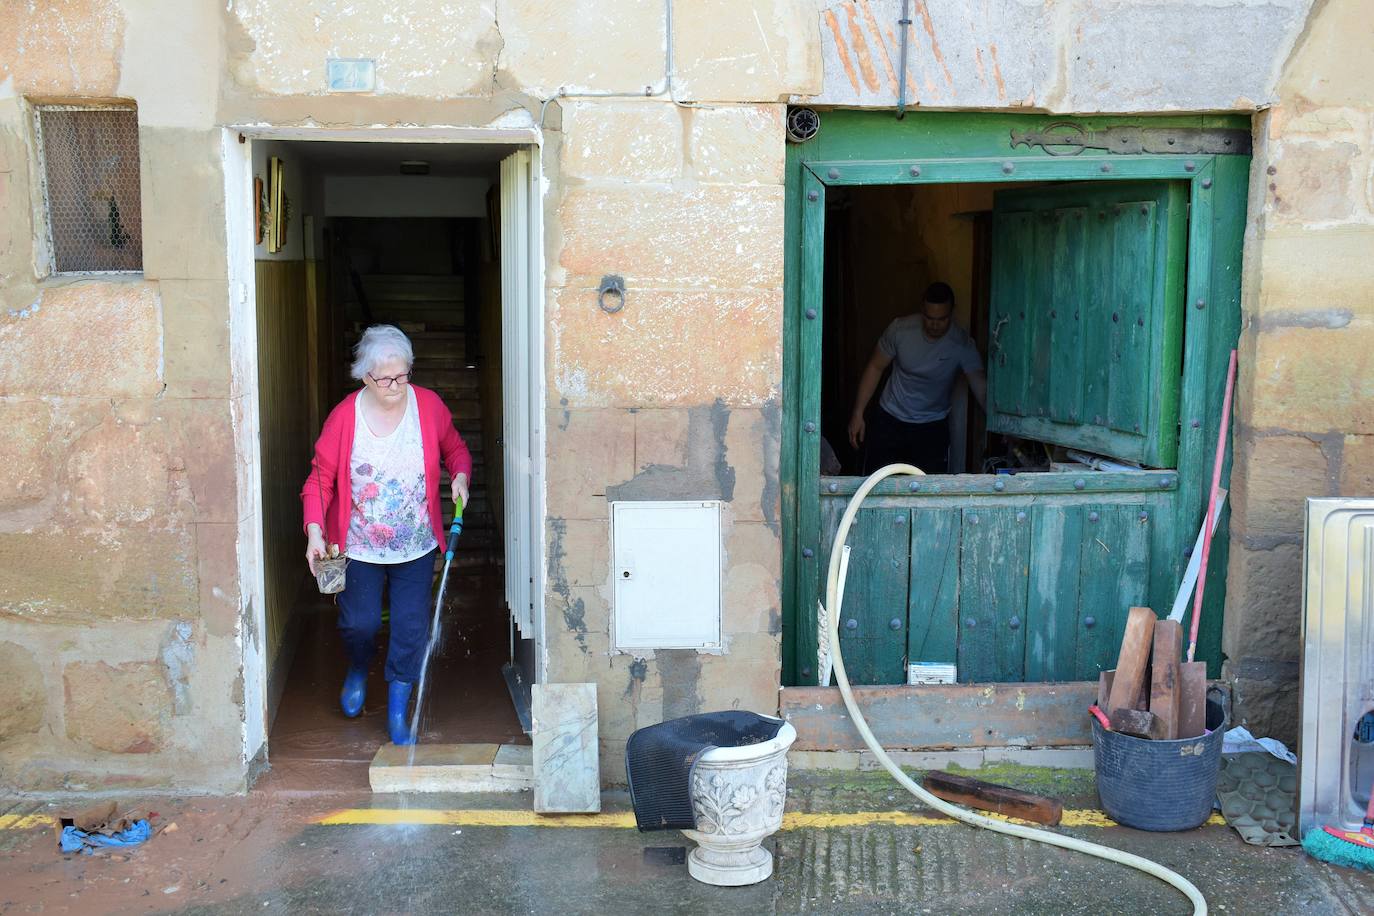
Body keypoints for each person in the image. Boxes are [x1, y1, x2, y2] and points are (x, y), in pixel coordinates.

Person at [301, 324, 472, 745]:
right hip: (358, 545)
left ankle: (398, 706)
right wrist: (314, 531)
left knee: (410, 628)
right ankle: (358, 667)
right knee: (358, 625)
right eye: (386, 379)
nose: (396, 385)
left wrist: (461, 477)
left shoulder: (428, 406)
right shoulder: (345, 417)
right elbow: (319, 480)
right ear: (365, 378)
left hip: (416, 544)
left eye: (403, 375)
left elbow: (456, 449)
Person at [847, 282, 987, 475]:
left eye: (942, 319)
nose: (935, 324)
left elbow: (979, 384)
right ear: (922, 310)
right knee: (877, 483)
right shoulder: (900, 330)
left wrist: (1001, 421)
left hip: (931, 426)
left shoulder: (961, 344)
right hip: (890, 419)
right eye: (929, 318)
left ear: (952, 313)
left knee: (928, 489)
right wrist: (858, 413)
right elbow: (875, 366)